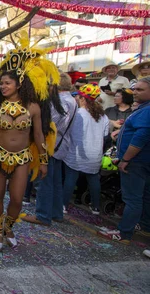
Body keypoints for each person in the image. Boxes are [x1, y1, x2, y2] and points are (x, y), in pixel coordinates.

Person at [0, 40, 58, 252]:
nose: (2, 87)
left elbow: (39, 134)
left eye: (7, 83)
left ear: (19, 83)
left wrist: (43, 160)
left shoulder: (33, 108)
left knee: (17, 199)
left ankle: (8, 227)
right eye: (1, 83)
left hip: (22, 158)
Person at [98, 76, 150, 243]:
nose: (134, 91)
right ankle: (144, 226)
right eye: (135, 88)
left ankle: (124, 233)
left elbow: (140, 138)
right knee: (144, 196)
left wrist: (125, 159)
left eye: (140, 89)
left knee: (132, 199)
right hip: (141, 161)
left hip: (136, 162)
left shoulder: (147, 110)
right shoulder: (143, 108)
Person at [23, 73, 76, 226]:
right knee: (55, 182)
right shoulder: (71, 100)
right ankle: (56, 213)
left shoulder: (61, 101)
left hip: (51, 146)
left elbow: (49, 124)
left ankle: (43, 215)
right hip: (60, 146)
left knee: (44, 181)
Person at [61, 84, 109, 215]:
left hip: (77, 152)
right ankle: (96, 207)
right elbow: (105, 134)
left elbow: (69, 131)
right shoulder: (103, 116)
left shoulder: (78, 114)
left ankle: (63, 205)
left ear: (82, 98)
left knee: (70, 178)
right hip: (95, 153)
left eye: (77, 96)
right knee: (93, 180)